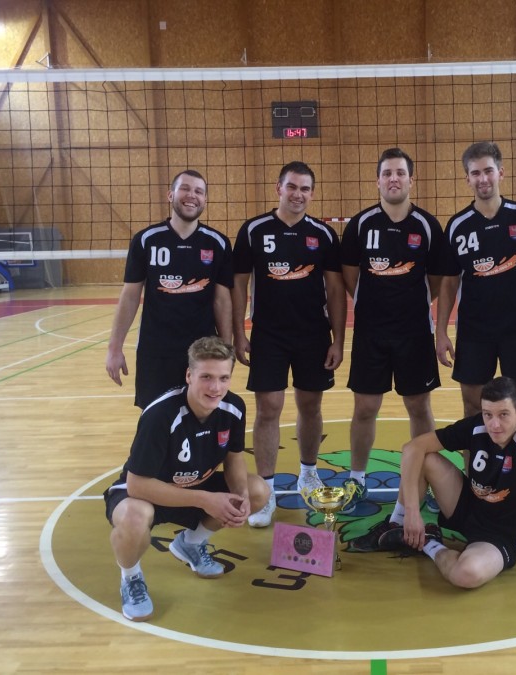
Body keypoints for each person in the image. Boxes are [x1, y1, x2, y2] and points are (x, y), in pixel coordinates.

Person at [348, 376, 516, 592]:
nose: (494, 424)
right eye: (488, 414)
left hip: (502, 535)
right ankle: (399, 523)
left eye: (504, 415)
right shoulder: (478, 427)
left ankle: (428, 543)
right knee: (423, 456)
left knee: (466, 574)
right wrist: (412, 513)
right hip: (467, 506)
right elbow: (412, 448)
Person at [103, 336, 268, 621]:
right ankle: (131, 578)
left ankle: (190, 543)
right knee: (134, 517)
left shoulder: (234, 408)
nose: (215, 388)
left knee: (257, 491)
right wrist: (205, 500)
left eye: (223, 378)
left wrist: (240, 496)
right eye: (206, 377)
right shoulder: (160, 414)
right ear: (189, 375)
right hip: (146, 492)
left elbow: (234, 458)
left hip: (194, 487)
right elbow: (136, 484)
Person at [232, 161, 346, 528]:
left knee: (310, 405)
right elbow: (238, 284)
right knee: (269, 407)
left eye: (305, 188)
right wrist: (238, 332)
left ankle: (308, 473)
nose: (298, 194)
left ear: (312, 193)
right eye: (292, 186)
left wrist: (339, 340)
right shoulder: (254, 230)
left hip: (313, 334)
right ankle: (265, 491)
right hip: (269, 334)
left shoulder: (323, 235)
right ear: (278, 188)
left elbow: (335, 290)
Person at [339, 147, 452, 513]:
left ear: (410, 180)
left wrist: (411, 303)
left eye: (400, 173)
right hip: (371, 333)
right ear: (378, 181)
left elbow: (436, 280)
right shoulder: (360, 225)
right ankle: (357, 479)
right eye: (387, 173)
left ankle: (426, 478)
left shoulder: (427, 226)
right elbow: (350, 277)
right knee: (365, 407)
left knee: (419, 405)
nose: (394, 179)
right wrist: (375, 303)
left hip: (414, 332)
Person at [435, 141, 516, 429]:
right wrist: (440, 332)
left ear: (501, 173)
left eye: (488, 171)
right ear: (467, 179)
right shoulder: (458, 226)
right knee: (473, 409)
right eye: (475, 173)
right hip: (474, 332)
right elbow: (449, 283)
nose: (483, 178)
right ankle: (477, 460)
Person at [105, 170, 233, 409]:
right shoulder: (146, 240)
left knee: (201, 417)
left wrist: (226, 350)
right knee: (155, 417)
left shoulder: (218, 243)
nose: (192, 195)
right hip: (156, 350)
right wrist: (114, 348)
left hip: (203, 351)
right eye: (185, 188)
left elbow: (222, 300)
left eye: (198, 191)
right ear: (170, 194)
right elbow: (130, 296)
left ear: (205, 199)